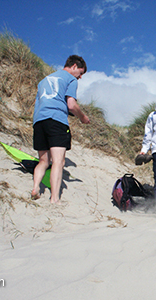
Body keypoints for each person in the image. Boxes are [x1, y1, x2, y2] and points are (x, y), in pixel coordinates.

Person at [31, 55, 90, 204]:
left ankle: (36, 187)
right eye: (81, 73)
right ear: (75, 66)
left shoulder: (44, 80)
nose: (80, 77)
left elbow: (38, 103)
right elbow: (71, 104)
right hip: (56, 120)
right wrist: (83, 117)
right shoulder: (70, 79)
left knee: (43, 161)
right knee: (58, 161)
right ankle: (54, 198)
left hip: (39, 121)